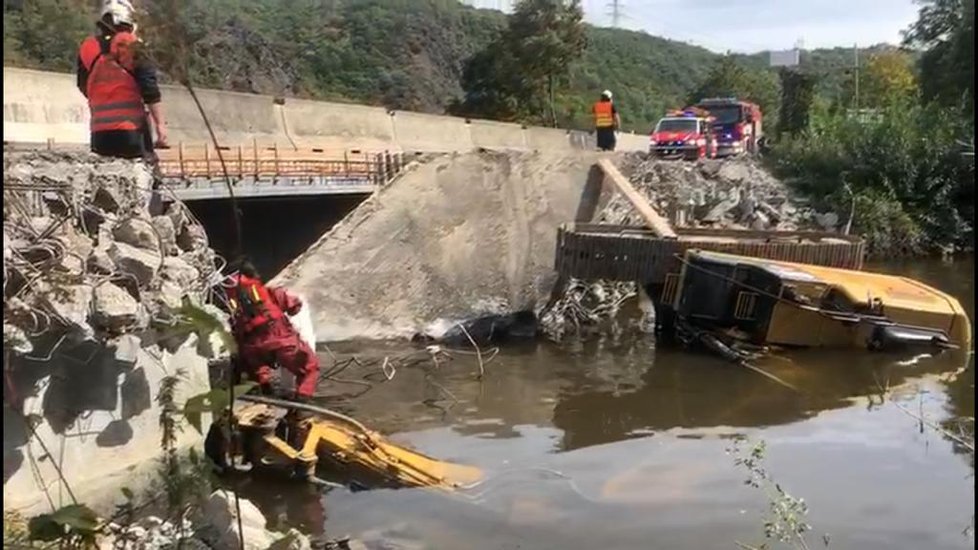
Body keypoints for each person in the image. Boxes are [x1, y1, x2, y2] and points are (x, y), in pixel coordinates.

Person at [76, 0, 168, 160]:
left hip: (99, 133)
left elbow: (83, 85)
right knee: (145, 174)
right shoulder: (132, 45)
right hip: (131, 131)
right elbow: (149, 89)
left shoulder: (88, 47)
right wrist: (160, 125)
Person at [225, 260, 320, 401]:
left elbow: (234, 328)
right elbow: (295, 307)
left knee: (258, 372)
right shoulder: (268, 292)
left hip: (251, 346)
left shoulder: (230, 299)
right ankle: (301, 407)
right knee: (309, 367)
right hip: (277, 336)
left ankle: (266, 395)